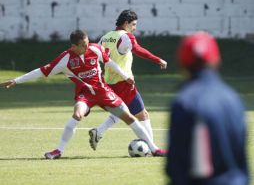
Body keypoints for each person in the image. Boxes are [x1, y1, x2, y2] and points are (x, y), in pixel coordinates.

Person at [0, 29, 166, 159]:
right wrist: (16, 80)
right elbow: (42, 71)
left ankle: (154, 149)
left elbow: (110, 63)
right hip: (85, 94)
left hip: (103, 91)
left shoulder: (95, 49)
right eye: (83, 45)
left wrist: (125, 77)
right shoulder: (65, 59)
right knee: (77, 114)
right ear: (73, 46)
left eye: (87, 43)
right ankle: (59, 150)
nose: (87, 47)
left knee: (129, 118)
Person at [166, 32, 249, 185]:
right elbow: (241, 161)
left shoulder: (184, 102)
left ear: (183, 63)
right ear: (216, 60)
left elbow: (177, 168)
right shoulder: (234, 99)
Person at [88, 10, 168, 151]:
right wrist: (158, 59)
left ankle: (98, 132)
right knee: (143, 115)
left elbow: (96, 56)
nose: (135, 28)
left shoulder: (106, 37)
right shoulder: (126, 37)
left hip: (109, 83)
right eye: (133, 24)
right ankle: (151, 148)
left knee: (120, 113)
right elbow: (138, 50)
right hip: (124, 83)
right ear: (126, 23)